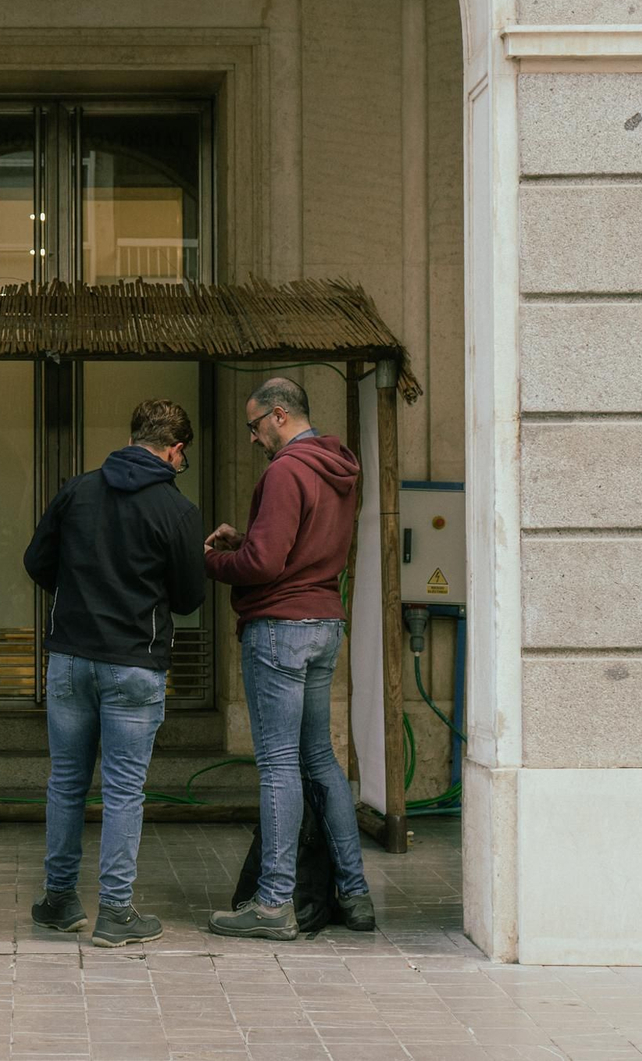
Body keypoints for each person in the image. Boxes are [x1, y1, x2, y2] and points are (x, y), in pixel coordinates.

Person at [23, 398, 206, 947]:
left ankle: (59, 901)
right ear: (175, 450)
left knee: (66, 784)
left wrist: (80, 594)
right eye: (183, 458)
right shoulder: (177, 511)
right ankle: (116, 914)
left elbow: (36, 562)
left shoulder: (77, 490)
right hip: (134, 664)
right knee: (124, 791)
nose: (180, 467)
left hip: (70, 659)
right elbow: (190, 598)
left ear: (133, 438)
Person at [203, 376, 376, 939]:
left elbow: (264, 566)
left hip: (279, 628)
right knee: (321, 760)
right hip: (325, 621)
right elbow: (295, 549)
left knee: (278, 765)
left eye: (255, 426)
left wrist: (213, 560)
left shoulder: (284, 471)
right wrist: (247, 542)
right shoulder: (341, 468)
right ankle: (354, 895)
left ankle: (274, 903)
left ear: (279, 415)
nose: (253, 439)